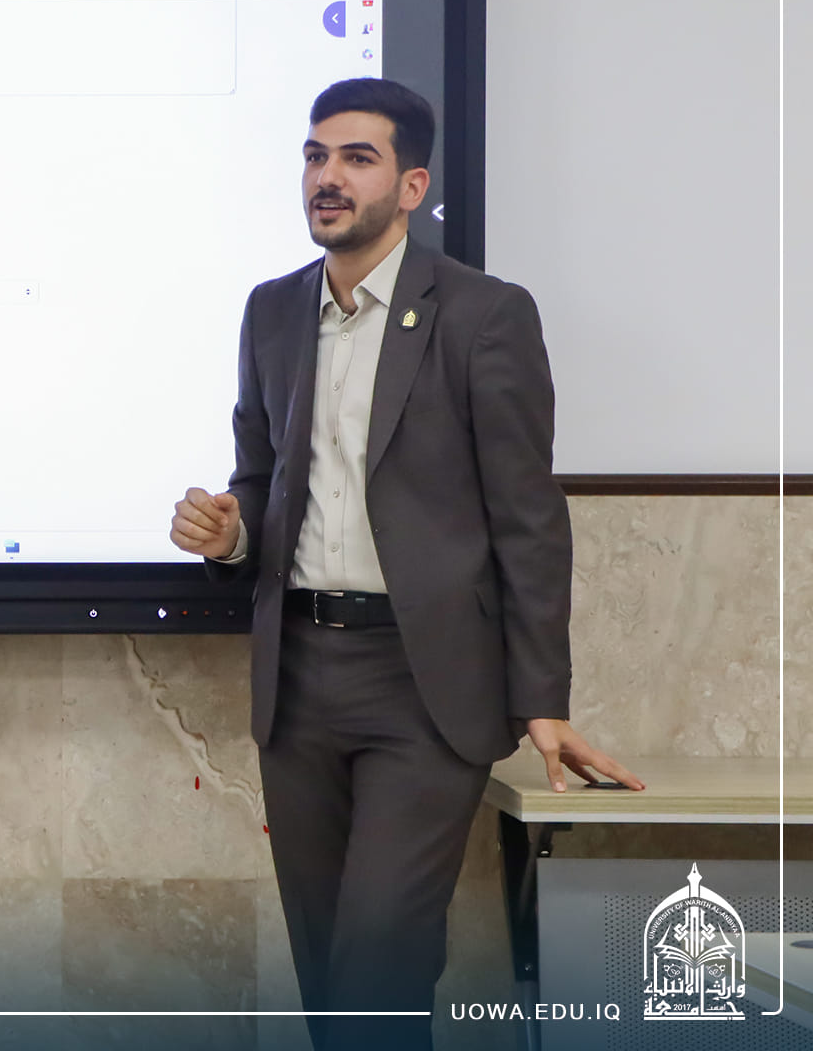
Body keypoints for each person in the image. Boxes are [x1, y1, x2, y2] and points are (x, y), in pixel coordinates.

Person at [169, 79, 642, 1050]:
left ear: (412, 186)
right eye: (315, 156)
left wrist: (541, 696)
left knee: (379, 962)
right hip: (299, 680)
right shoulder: (272, 312)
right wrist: (230, 533)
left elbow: (528, 519)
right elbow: (260, 478)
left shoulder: (483, 314)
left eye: (357, 158)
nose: (327, 177)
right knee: (328, 975)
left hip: (424, 685)